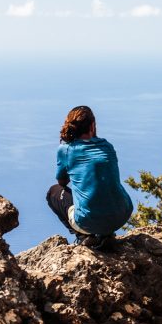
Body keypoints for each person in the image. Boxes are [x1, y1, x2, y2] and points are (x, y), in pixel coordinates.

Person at [46, 106, 133, 249]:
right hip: (122, 215)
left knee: (53, 192)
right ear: (92, 126)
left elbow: (62, 181)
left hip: (89, 221)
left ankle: (84, 236)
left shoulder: (66, 150)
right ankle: (107, 235)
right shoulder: (107, 146)